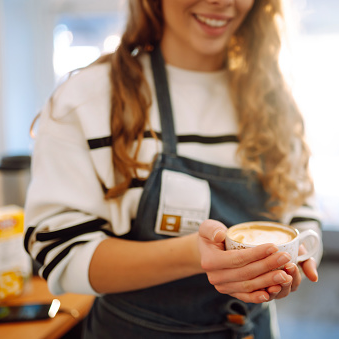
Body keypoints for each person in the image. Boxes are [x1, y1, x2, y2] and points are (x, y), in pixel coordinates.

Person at [24, 0, 323, 338]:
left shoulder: (273, 101)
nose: (223, 2)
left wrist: (291, 262)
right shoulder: (87, 101)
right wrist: (193, 255)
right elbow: (60, 252)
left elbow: (302, 212)